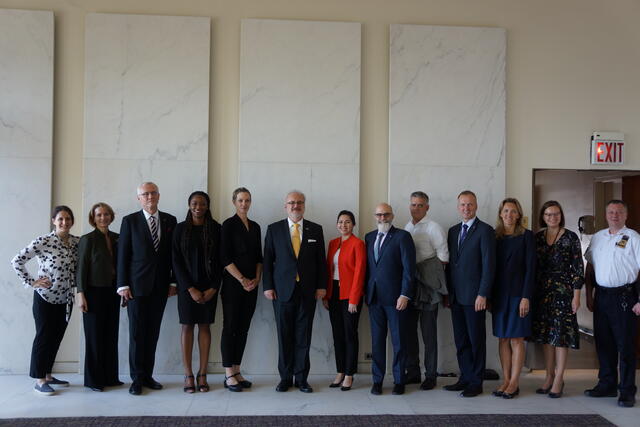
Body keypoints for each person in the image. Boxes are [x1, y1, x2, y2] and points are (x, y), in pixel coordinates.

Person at [11, 206, 79, 395]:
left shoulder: (76, 242)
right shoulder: (44, 241)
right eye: (60, 219)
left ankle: (48, 375)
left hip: (66, 299)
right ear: (53, 221)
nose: (64, 222)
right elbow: (17, 260)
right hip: (45, 298)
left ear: (72, 221)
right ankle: (40, 380)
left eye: (68, 219)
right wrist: (32, 282)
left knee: (56, 338)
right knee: (43, 337)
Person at [263, 191, 327, 393]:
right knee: (284, 337)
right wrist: (268, 286)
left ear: (304, 205)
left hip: (307, 291)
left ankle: (301, 379)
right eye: (291, 203)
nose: (295, 206)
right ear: (285, 206)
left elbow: (321, 262)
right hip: (282, 292)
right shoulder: (274, 229)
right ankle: (285, 378)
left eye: (299, 202)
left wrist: (321, 285)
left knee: (303, 337)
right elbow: (267, 261)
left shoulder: (316, 230)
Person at [117, 182, 177, 396]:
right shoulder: (129, 221)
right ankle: (136, 378)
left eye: (153, 193)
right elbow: (123, 255)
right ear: (139, 198)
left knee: (152, 333)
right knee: (136, 335)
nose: (149, 197)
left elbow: (173, 256)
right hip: (136, 288)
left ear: (159, 196)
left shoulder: (170, 220)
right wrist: (122, 285)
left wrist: (173, 282)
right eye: (145, 194)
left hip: (160, 287)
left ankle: (148, 376)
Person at [584, 200, 640, 408]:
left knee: (625, 346)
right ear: (605, 215)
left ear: (626, 215)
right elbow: (589, 268)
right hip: (602, 297)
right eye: (611, 212)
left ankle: (626, 391)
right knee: (604, 343)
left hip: (625, 297)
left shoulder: (634, 238)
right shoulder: (598, 238)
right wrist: (589, 295)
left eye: (619, 212)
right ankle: (607, 384)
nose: (614, 215)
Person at [530, 200, 583, 399]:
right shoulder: (537, 238)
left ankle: (559, 378)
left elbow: (578, 269)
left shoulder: (570, 237)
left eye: (556, 214)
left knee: (560, 337)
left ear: (561, 215)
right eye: (549, 214)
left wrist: (576, 296)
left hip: (564, 293)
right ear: (542, 217)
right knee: (546, 336)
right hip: (542, 292)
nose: (553, 217)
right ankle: (548, 375)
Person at [445, 190, 495, 397]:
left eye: (470, 205)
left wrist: (483, 293)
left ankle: (476, 381)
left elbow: (488, 265)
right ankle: (465, 377)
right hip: (456, 296)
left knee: (476, 341)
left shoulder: (485, 230)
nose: (466, 208)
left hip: (475, 297)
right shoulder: (453, 231)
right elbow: (451, 265)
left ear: (476, 206)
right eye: (463, 205)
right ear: (458, 207)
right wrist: (447, 293)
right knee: (461, 340)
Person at [172, 191, 222, 393]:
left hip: (210, 286)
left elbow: (221, 260)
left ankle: (202, 374)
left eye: (202, 203)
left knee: (204, 327)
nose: (198, 207)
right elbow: (175, 261)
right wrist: (190, 288)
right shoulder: (179, 229)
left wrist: (213, 288)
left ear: (207, 206)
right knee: (186, 327)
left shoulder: (217, 229)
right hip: (187, 287)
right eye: (194, 203)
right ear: (189, 205)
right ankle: (188, 375)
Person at [365, 203, 416, 396]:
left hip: (396, 299)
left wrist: (405, 294)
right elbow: (369, 269)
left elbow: (409, 270)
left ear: (392, 215)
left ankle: (399, 380)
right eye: (379, 215)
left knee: (399, 341)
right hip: (374, 298)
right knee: (377, 342)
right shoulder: (369, 237)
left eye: (386, 215)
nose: (382, 218)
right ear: (375, 216)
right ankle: (377, 381)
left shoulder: (402, 237)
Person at [404, 191, 449, 391]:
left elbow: (443, 259)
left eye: (420, 205)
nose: (416, 208)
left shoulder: (434, 228)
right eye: (413, 204)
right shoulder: (407, 227)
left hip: (429, 288)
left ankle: (430, 375)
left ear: (427, 207)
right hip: (410, 286)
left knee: (429, 335)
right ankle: (413, 372)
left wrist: (426, 275)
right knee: (410, 333)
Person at [490, 198, 535, 399]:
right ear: (500, 213)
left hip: (518, 295)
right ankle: (506, 379)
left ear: (519, 215)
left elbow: (531, 269)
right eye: (506, 211)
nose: (509, 215)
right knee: (503, 338)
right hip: (499, 295)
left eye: (513, 211)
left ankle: (515, 382)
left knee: (517, 339)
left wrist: (526, 297)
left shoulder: (527, 236)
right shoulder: (494, 236)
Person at [76, 202, 122, 392]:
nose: (103, 218)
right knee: (94, 337)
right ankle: (94, 380)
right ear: (93, 218)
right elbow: (81, 269)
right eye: (99, 215)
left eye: (106, 214)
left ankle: (110, 377)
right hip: (93, 292)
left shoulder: (118, 237)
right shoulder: (88, 239)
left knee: (111, 335)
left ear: (111, 216)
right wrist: (81, 294)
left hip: (113, 291)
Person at [220, 187, 262, 392]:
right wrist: (243, 280)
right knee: (230, 328)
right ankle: (228, 373)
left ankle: (237, 370)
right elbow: (224, 258)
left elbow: (259, 258)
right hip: (233, 286)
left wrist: (256, 280)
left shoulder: (255, 227)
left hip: (251, 287)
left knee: (243, 329)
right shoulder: (227, 225)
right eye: (240, 200)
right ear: (234, 202)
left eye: (247, 200)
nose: (244, 204)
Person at [323, 210, 366, 391]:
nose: (343, 225)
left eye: (347, 222)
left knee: (350, 334)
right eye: (340, 222)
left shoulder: (358, 244)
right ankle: (340, 371)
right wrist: (326, 295)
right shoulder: (333, 243)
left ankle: (349, 374)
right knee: (337, 335)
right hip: (334, 294)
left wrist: (354, 299)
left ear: (353, 224)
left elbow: (360, 272)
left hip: (350, 295)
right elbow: (328, 270)